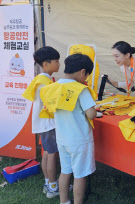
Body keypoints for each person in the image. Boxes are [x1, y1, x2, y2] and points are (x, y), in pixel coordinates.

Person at [40, 54, 97, 204]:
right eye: (87, 76)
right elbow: (91, 114)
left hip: (62, 138)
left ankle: (64, 201)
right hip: (79, 140)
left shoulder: (53, 87)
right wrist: (95, 110)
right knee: (80, 174)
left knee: (65, 171)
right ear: (82, 72)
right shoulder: (81, 89)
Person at [22, 46, 60, 198]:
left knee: (46, 153)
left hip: (43, 123)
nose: (59, 64)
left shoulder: (41, 79)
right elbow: (50, 104)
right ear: (46, 64)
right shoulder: (45, 82)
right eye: (56, 61)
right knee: (52, 155)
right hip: (49, 124)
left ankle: (48, 182)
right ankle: (53, 187)